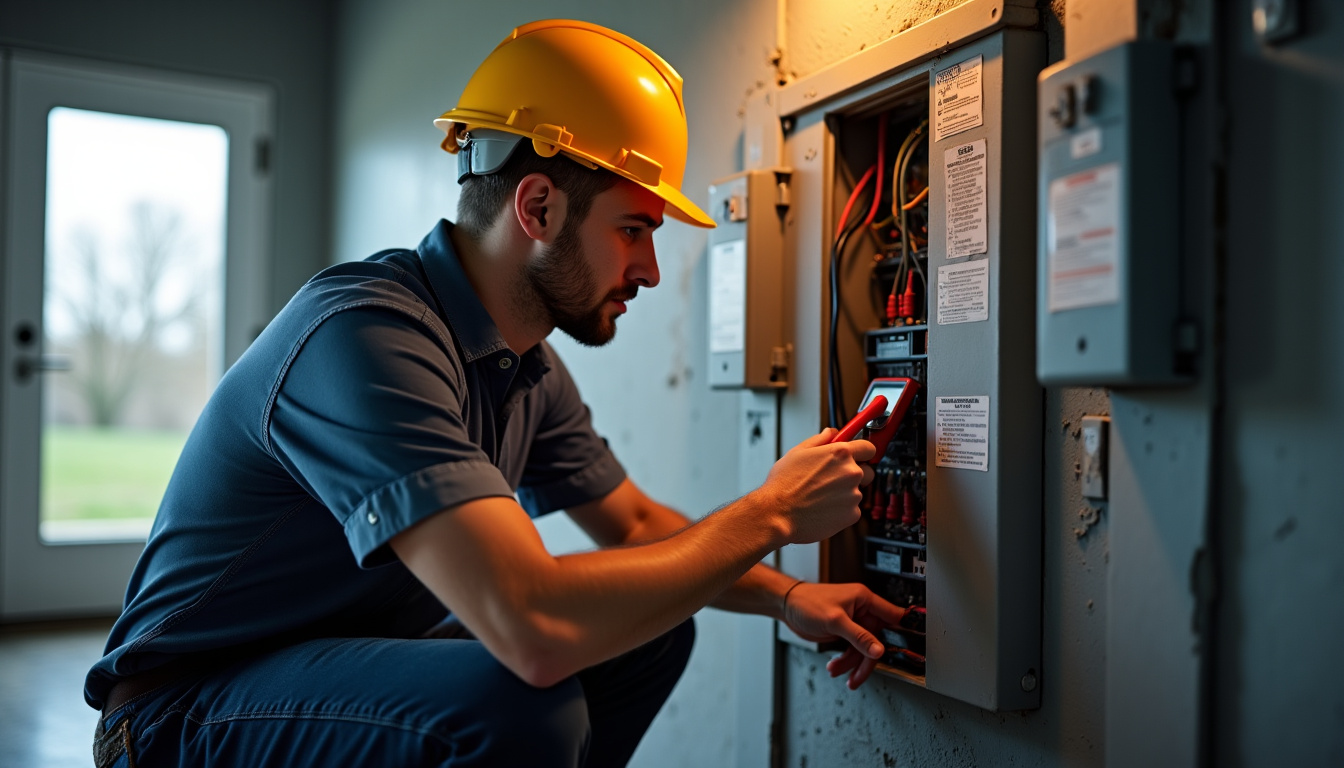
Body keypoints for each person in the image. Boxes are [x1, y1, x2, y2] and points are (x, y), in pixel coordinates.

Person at [87, 19, 906, 768]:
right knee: (523, 694)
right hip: (175, 714)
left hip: (333, 663)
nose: (650, 271)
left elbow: (635, 528)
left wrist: (789, 596)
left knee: (650, 632)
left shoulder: (525, 367)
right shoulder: (364, 336)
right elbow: (532, 627)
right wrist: (769, 512)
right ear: (539, 206)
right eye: (634, 230)